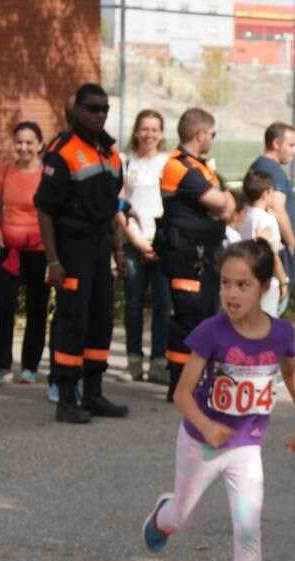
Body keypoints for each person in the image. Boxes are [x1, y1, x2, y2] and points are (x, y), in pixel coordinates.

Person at [141, 239, 295, 561]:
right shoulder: (211, 333)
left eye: (243, 285)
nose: (231, 294)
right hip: (200, 444)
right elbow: (182, 394)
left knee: (248, 531)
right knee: (184, 516)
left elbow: (291, 376)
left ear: (265, 287)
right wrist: (207, 426)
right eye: (225, 284)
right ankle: (164, 516)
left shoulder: (281, 335)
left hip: (245, 450)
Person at [34, 83, 129, 424]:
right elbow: (44, 210)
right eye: (92, 108)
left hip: (100, 246)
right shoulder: (62, 151)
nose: (99, 114)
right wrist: (53, 260)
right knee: (73, 322)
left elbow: (110, 211)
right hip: (71, 248)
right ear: (76, 110)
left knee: (101, 320)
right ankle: (66, 397)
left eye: (104, 108)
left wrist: (117, 251)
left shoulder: (110, 154)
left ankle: (93, 393)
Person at [159, 107, 235, 400]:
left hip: (204, 256)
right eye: (212, 134)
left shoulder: (200, 167)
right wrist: (224, 202)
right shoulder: (179, 166)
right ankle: (179, 384)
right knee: (188, 319)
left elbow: (227, 204)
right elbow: (220, 203)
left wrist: (225, 202)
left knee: (205, 316)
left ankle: (197, 379)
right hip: (186, 255)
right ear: (199, 134)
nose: (213, 140)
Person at [0, 121, 49, 387]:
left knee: (37, 307)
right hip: (7, 249)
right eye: (19, 142)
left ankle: (30, 366)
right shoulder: (5, 171)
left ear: (40, 145)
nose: (23, 147)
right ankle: (0, 364)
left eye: (29, 142)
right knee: (5, 304)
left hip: (39, 249)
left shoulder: (48, 174)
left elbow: (52, 214)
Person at [119, 109, 173, 385]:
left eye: (154, 129)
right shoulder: (125, 161)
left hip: (162, 243)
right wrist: (137, 241)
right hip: (133, 242)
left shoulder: (169, 162)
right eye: (144, 129)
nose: (149, 134)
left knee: (164, 305)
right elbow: (119, 203)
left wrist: (157, 242)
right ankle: (133, 361)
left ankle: (159, 363)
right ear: (136, 131)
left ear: (162, 133)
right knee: (133, 304)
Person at [248, 122, 295, 286]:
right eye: (291, 145)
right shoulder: (272, 171)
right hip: (277, 250)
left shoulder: (261, 165)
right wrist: (291, 241)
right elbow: (276, 209)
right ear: (276, 144)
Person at [238, 168, 289, 316]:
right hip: (264, 279)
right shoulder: (267, 220)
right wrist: (283, 280)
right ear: (266, 193)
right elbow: (272, 253)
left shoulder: (242, 215)